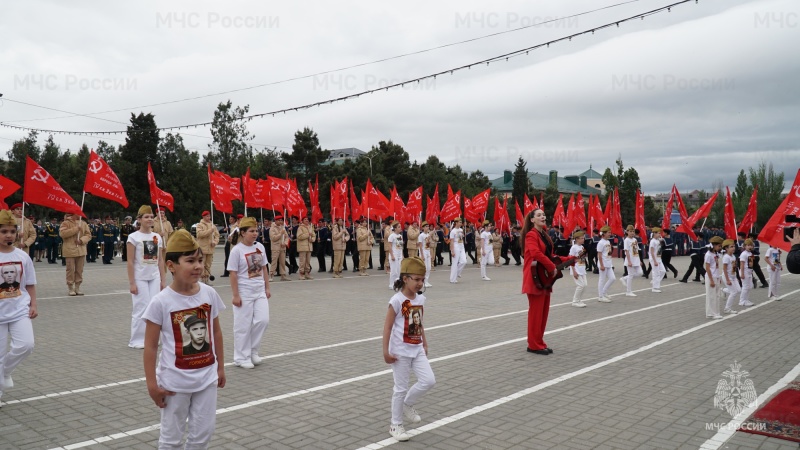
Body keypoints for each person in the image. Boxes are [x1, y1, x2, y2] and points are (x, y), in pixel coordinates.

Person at [142, 229, 226, 449]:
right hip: (175, 383)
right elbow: (150, 347)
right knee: (171, 438)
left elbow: (216, 332)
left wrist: (221, 367)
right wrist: (152, 385)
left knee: (203, 434)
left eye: (199, 260)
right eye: (190, 261)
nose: (198, 266)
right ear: (171, 266)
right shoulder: (161, 302)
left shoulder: (209, 294)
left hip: (206, 378)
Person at [382, 256, 435, 442]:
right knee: (400, 388)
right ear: (405, 279)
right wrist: (386, 351)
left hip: (417, 347)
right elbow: (387, 327)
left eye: (422, 279)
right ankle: (395, 424)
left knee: (429, 380)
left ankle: (408, 403)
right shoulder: (396, 300)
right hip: (400, 352)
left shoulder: (421, 299)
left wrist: (425, 342)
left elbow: (419, 322)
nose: (420, 283)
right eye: (416, 279)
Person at [521, 209, 573, 355]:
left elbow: (550, 256)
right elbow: (536, 253)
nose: (543, 216)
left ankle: (539, 342)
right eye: (539, 215)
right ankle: (533, 344)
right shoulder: (531, 235)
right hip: (535, 277)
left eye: (543, 214)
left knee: (543, 313)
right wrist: (551, 267)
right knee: (536, 313)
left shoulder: (545, 235)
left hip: (545, 277)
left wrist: (570, 259)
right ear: (532, 220)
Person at [0, 209, 38, 405]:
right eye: (4, 231)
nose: (9, 235)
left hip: (19, 309)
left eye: (12, 231)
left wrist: (33, 303)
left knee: (26, 345)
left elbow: (30, 282)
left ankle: (5, 371)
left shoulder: (23, 256)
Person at [227, 217, 271, 369]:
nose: (255, 234)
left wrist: (267, 287)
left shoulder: (260, 247)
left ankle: (252, 351)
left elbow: (264, 268)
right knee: (242, 325)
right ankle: (240, 357)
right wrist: (235, 295)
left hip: (259, 290)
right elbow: (232, 274)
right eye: (251, 231)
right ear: (243, 233)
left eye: (256, 231)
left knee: (263, 320)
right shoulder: (237, 251)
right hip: (244, 291)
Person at [127, 205, 166, 349]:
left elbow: (160, 260)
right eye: (146, 217)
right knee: (141, 308)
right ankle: (137, 340)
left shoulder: (156, 237)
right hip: (140, 277)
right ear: (139, 219)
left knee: (155, 307)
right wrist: (132, 283)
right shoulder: (133, 237)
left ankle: (154, 338)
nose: (150, 219)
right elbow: (130, 261)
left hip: (154, 277)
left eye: (151, 217)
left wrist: (163, 280)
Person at [59, 212, 92, 296]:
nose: (80, 214)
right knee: (70, 269)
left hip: (81, 250)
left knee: (79, 270)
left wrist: (81, 240)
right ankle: (70, 287)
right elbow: (62, 234)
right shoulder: (65, 223)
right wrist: (75, 229)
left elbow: (88, 235)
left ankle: (77, 287)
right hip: (70, 250)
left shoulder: (83, 223)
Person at [195, 211, 220, 286]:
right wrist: (210, 231)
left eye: (209, 216)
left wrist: (215, 242)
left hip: (210, 249)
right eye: (207, 216)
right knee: (202, 264)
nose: (208, 218)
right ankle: (202, 280)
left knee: (208, 265)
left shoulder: (213, 226)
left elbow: (217, 236)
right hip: (202, 248)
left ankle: (206, 280)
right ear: (203, 217)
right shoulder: (199, 225)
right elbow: (200, 234)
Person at [704, 236, 724, 319]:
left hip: (716, 276)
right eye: (719, 246)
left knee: (716, 295)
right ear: (714, 245)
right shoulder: (708, 255)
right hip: (710, 277)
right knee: (711, 295)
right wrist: (711, 280)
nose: (720, 248)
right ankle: (710, 313)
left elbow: (716, 267)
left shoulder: (715, 254)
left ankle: (716, 312)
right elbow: (707, 268)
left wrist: (718, 278)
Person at [619, 225, 642, 297]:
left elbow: (637, 250)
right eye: (630, 231)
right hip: (630, 260)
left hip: (636, 259)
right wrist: (629, 261)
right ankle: (628, 291)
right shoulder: (626, 240)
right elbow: (626, 251)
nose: (632, 233)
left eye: (633, 231)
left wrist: (640, 260)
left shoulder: (635, 240)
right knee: (631, 275)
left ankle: (624, 278)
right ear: (627, 232)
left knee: (640, 273)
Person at [596, 225, 615, 303]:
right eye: (608, 232)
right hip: (603, 263)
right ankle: (600, 296)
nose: (610, 234)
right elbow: (599, 254)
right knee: (602, 279)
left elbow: (608, 253)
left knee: (612, 278)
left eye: (610, 232)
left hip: (609, 263)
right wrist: (601, 265)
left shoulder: (608, 241)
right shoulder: (601, 243)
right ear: (603, 234)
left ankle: (604, 292)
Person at [269, 216, 291, 281]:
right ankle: (271, 275)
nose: (280, 221)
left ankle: (283, 275)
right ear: (275, 221)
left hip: (282, 247)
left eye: (281, 220)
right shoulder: (272, 228)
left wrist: (285, 243)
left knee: (282, 262)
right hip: (275, 247)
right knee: (274, 262)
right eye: (278, 220)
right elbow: (273, 238)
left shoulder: (283, 228)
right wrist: (280, 234)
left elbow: (287, 237)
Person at [569, 230, 588, 308]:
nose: (583, 239)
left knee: (585, 285)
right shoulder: (574, 247)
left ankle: (579, 299)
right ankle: (575, 301)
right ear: (576, 239)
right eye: (581, 238)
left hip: (582, 269)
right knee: (580, 285)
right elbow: (570, 259)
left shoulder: (582, 247)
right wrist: (574, 271)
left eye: (583, 238)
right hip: (576, 269)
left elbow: (582, 258)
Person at [721, 239, 740, 315]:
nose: (733, 248)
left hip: (733, 276)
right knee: (733, 292)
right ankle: (727, 308)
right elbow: (724, 269)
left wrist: (736, 278)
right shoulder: (726, 257)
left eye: (734, 246)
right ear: (726, 248)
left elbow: (734, 268)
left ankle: (723, 290)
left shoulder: (733, 256)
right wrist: (728, 279)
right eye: (731, 247)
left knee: (739, 290)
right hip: (727, 276)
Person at [296, 216, 316, 280]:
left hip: (309, 246)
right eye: (305, 219)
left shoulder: (310, 227)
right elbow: (299, 236)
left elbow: (314, 235)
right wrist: (308, 234)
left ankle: (307, 273)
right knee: (302, 261)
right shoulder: (300, 227)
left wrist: (312, 239)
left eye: (307, 219)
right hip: (302, 247)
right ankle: (301, 274)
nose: (306, 220)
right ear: (302, 221)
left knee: (308, 261)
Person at [739, 239, 756, 307]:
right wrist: (742, 273)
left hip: (749, 272)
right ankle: (742, 301)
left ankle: (746, 299)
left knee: (750, 286)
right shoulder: (744, 254)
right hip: (745, 271)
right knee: (745, 286)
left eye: (751, 245)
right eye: (748, 245)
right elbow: (742, 264)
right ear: (745, 246)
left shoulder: (750, 253)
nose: (750, 247)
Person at [449, 218, 467, 283]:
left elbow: (462, 238)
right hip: (455, 246)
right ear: (456, 223)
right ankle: (452, 279)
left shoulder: (461, 230)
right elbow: (451, 242)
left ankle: (458, 273)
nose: (461, 223)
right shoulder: (453, 231)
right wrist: (452, 251)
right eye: (460, 222)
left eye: (461, 222)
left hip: (461, 246)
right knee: (455, 263)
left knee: (464, 261)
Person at [649, 227, 666, 293]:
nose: (659, 234)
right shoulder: (652, 241)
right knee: (656, 273)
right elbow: (652, 252)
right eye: (658, 233)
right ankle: (655, 287)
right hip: (654, 259)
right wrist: (655, 261)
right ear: (654, 233)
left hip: (659, 258)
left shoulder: (658, 240)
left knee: (663, 271)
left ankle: (654, 282)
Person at [387, 221, 403, 289]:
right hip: (394, 255)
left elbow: (400, 246)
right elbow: (390, 246)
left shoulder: (400, 236)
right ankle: (391, 284)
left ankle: (398, 283)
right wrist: (392, 255)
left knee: (399, 270)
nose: (400, 228)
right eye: (399, 227)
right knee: (394, 271)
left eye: (400, 227)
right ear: (395, 228)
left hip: (399, 255)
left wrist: (402, 255)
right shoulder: (392, 236)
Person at [417, 221, 433, 287]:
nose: (427, 228)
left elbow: (429, 245)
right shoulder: (421, 235)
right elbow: (420, 246)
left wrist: (431, 254)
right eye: (426, 226)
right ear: (423, 228)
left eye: (428, 226)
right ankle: (422, 282)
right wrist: (422, 255)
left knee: (429, 267)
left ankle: (426, 281)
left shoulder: (428, 235)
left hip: (428, 251)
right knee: (425, 267)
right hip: (423, 251)